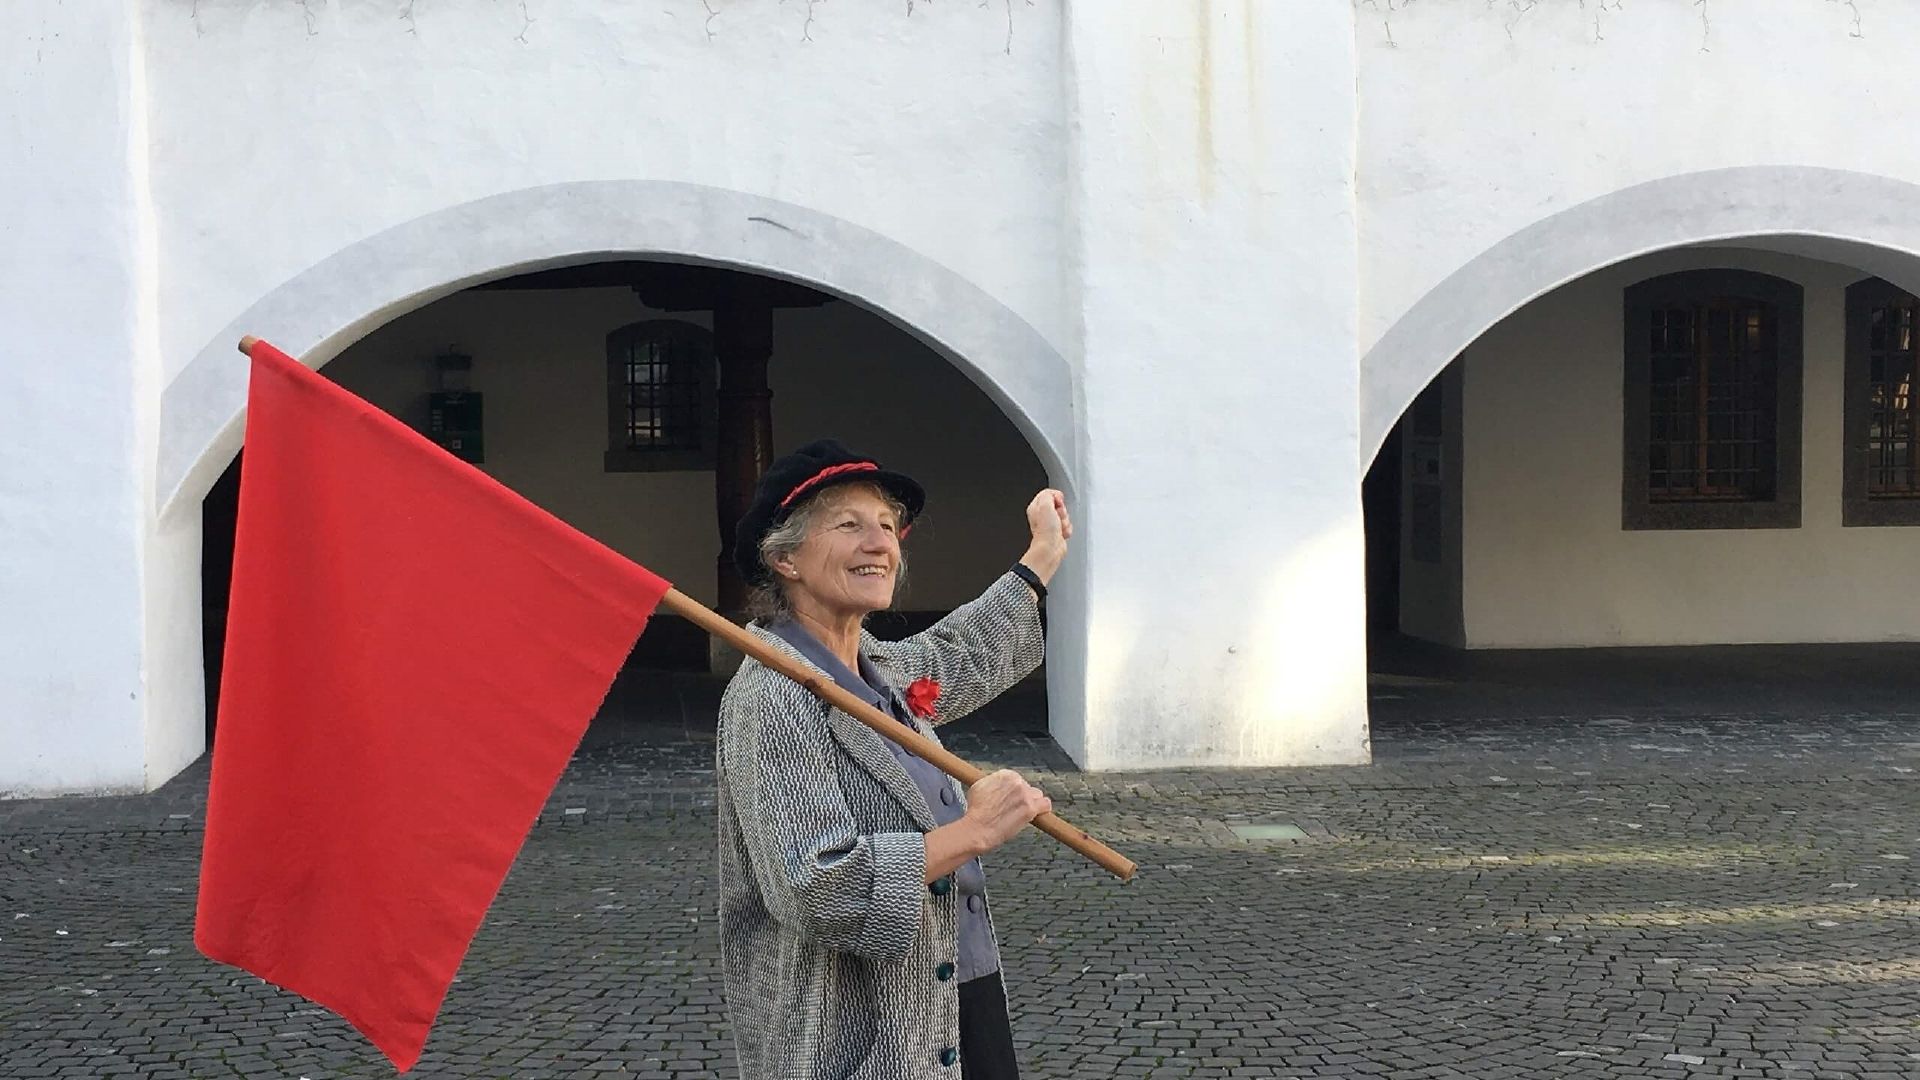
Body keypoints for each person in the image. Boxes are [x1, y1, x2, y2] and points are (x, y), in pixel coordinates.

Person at [715, 438, 1069, 1079]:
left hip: (957, 990)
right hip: (854, 1034)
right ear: (786, 558)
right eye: (849, 525)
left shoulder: (877, 671)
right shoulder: (772, 695)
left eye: (886, 526)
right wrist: (974, 831)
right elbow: (814, 884)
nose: (880, 543)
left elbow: (959, 651)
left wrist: (1041, 557)